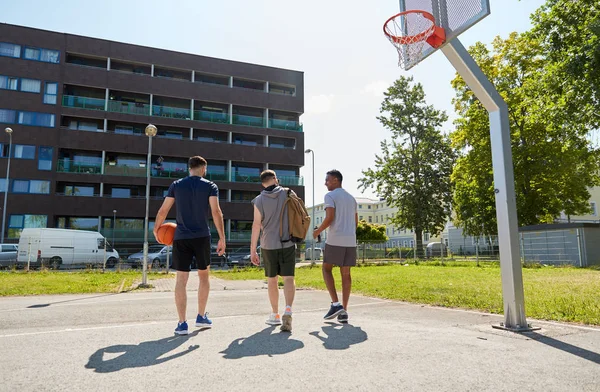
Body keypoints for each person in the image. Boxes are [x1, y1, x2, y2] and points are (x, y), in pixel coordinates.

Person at [154, 156, 226, 335]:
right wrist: (222, 237)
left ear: (189, 168)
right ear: (204, 169)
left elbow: (163, 210)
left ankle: (182, 323)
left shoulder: (176, 185)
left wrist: (156, 230)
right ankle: (201, 316)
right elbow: (216, 212)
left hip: (181, 237)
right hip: (202, 236)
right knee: (203, 276)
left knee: (181, 280)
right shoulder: (210, 186)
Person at [250, 170, 296, 332]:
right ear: (276, 179)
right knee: (289, 278)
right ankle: (288, 309)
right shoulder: (288, 193)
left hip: (268, 244)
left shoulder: (259, 200)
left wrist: (253, 250)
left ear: (263, 183)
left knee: (272, 280)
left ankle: (275, 314)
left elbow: (256, 225)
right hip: (288, 242)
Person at [313, 169, 357, 324]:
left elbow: (330, 217)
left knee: (326, 268)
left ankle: (335, 304)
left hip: (335, 239)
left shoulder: (330, 196)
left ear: (336, 180)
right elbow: (355, 221)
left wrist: (317, 230)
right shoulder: (352, 199)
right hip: (350, 240)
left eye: (328, 180)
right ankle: (344, 311)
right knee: (346, 274)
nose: (325, 183)